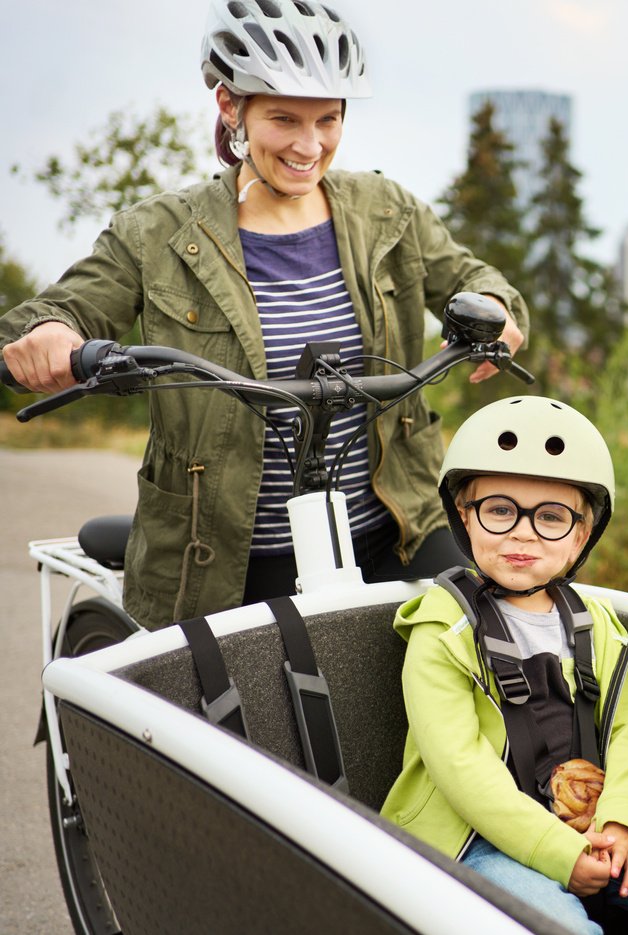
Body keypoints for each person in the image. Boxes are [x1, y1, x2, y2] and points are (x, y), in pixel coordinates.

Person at [0, 1, 528, 628]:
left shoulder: (386, 211)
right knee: (230, 722)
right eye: (284, 118)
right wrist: (51, 337)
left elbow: (471, 276)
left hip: (396, 530)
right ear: (231, 107)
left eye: (327, 120)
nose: (310, 145)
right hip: (224, 558)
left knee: (495, 637)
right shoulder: (155, 233)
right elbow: (59, 311)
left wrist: (494, 309)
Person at [380, 396, 628, 935]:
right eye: (500, 510)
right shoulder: (441, 627)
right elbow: (460, 767)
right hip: (472, 836)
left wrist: (622, 823)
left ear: (582, 534)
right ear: (464, 516)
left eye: (551, 517)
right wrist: (558, 852)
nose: (524, 532)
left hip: (584, 813)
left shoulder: (594, 623)